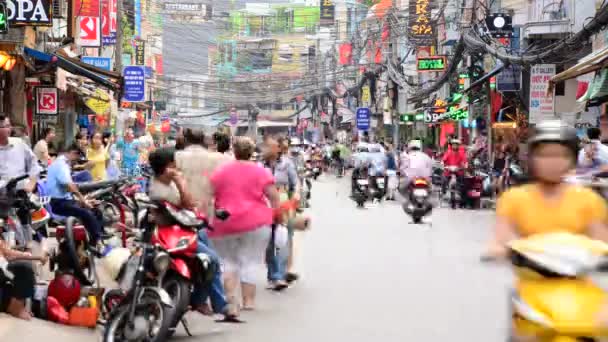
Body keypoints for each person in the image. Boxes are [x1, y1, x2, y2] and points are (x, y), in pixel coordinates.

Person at [483, 120, 608, 260]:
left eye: (561, 155)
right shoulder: (513, 200)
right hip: (531, 278)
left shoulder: (589, 201)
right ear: (532, 159)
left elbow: (601, 239)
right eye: (544, 155)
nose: (552, 162)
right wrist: (500, 250)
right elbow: (501, 238)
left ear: (572, 160)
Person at [147, 147, 239, 322]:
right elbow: (187, 203)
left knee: (207, 242)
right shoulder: (160, 189)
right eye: (174, 165)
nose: (177, 167)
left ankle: (204, 300)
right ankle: (213, 303)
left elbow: (189, 204)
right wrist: (181, 183)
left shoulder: (168, 182)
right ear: (167, 167)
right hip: (172, 234)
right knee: (211, 260)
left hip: (186, 226)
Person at [209, 137, 280, 313]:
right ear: (251, 152)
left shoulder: (220, 172)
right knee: (251, 261)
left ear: (234, 150)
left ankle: (231, 300)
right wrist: (277, 217)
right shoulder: (261, 172)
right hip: (256, 222)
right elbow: (274, 197)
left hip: (225, 221)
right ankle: (249, 302)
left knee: (228, 262)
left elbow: (209, 196)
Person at [47, 143, 104, 248]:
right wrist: (83, 200)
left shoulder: (63, 164)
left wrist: (82, 200)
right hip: (58, 204)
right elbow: (70, 186)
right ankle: (98, 242)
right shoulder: (61, 165)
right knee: (87, 213)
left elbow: (69, 189)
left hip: (65, 200)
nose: (76, 161)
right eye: (77, 157)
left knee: (96, 211)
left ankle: (95, 240)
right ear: (73, 153)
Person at [0, 239, 47, 320]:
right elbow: (9, 254)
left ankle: (22, 307)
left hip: (5, 270)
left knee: (26, 268)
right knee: (24, 267)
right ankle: (17, 308)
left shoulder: (2, 243)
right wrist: (35, 257)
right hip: (4, 272)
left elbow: (9, 254)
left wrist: (30, 256)